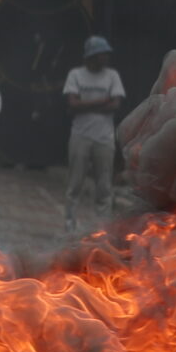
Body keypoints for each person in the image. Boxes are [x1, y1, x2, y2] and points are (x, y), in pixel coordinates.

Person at [61, 34, 127, 235]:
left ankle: (102, 230)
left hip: (104, 138)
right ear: (92, 56)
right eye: (102, 54)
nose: (106, 58)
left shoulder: (112, 76)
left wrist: (83, 105)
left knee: (104, 186)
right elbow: (71, 103)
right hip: (80, 135)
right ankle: (70, 227)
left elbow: (116, 104)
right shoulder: (76, 75)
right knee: (75, 184)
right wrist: (102, 101)